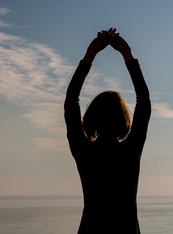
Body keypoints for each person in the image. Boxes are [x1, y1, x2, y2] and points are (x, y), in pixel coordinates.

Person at [64, 28, 152, 234]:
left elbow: (71, 101)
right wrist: (127, 54)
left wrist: (90, 55)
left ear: (91, 118)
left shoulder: (83, 150)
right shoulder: (131, 150)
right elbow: (144, 102)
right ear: (124, 120)